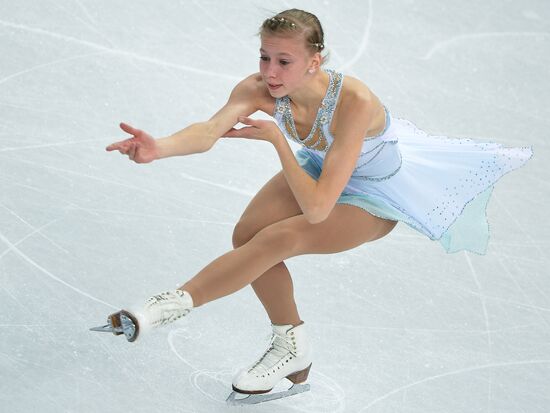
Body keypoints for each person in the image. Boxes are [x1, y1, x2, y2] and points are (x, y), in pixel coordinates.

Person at [98, 8, 532, 398]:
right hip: (320, 172)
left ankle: (169, 306)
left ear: (314, 61)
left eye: (284, 61)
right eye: (264, 57)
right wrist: (162, 147)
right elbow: (209, 130)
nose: (270, 71)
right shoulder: (259, 87)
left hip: (374, 194)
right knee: (246, 236)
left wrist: (277, 143)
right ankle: (292, 345)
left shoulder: (355, 102)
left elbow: (319, 210)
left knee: (277, 239)